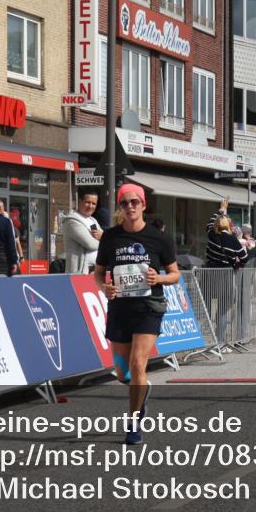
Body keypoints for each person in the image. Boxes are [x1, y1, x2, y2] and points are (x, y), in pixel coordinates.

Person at [94, 183, 179, 445]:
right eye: (124, 203)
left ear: (143, 205)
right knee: (122, 373)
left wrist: (159, 278)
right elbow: (98, 272)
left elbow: (175, 274)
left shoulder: (159, 237)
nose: (130, 207)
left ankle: (133, 423)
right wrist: (104, 287)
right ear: (120, 207)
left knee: (138, 364)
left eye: (134, 202)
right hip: (120, 307)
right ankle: (140, 391)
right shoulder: (110, 237)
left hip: (148, 307)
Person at [205, 200, 247, 348]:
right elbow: (244, 258)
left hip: (208, 276)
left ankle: (205, 341)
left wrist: (222, 209)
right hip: (226, 277)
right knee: (222, 311)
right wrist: (236, 263)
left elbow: (210, 222)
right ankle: (220, 341)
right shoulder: (233, 239)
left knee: (206, 308)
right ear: (228, 226)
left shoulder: (211, 234)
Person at [62, 190, 103, 273]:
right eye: (88, 202)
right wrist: (104, 239)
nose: (91, 206)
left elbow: (105, 241)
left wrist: (103, 237)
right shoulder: (72, 221)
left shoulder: (93, 220)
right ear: (80, 201)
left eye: (94, 203)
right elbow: (91, 244)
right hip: (81, 272)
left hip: (96, 271)